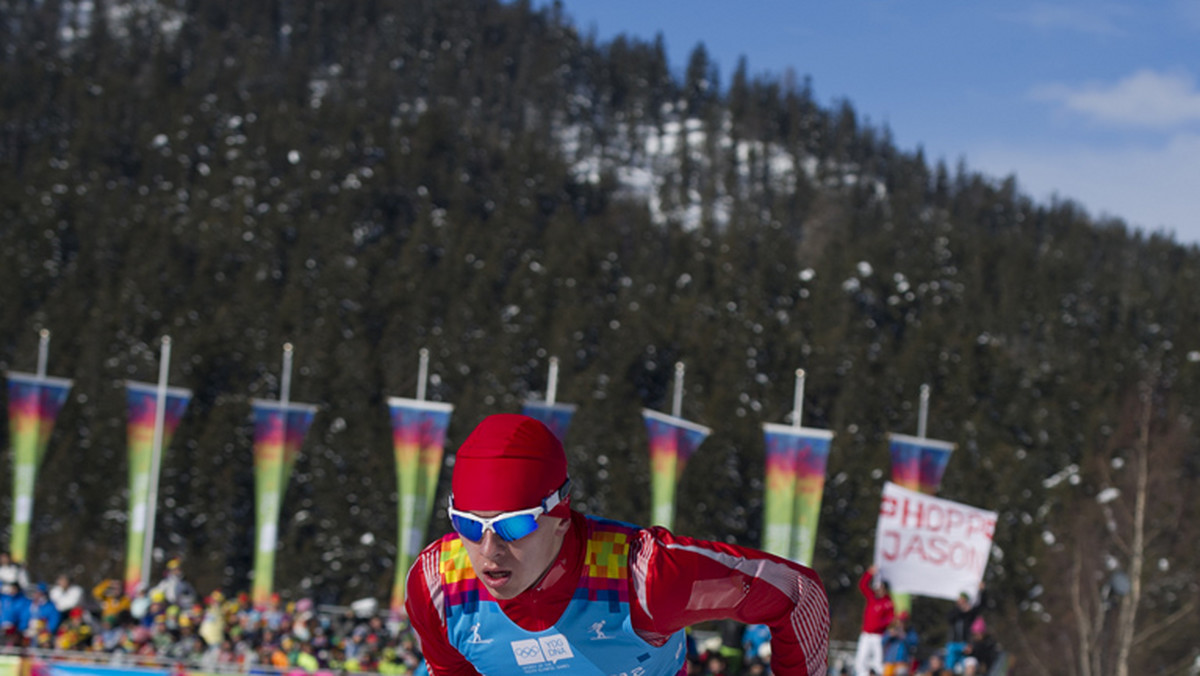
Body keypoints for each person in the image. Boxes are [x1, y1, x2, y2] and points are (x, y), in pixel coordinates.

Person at [405, 414, 830, 675]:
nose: (489, 549)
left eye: (514, 527)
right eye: (468, 525)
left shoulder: (645, 578)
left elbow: (798, 595)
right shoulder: (440, 585)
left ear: (560, 516)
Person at [854, 565, 894, 676]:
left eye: (881, 588)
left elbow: (890, 618)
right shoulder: (872, 598)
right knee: (861, 660)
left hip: (878, 636)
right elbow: (862, 585)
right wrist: (870, 573)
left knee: (878, 661)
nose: (879, 590)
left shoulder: (887, 602)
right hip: (866, 634)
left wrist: (880, 625)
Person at [945, 584, 985, 672]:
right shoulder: (955, 613)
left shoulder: (970, 615)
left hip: (966, 644)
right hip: (953, 644)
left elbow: (980, 606)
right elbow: (949, 618)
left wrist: (981, 592)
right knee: (949, 667)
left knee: (968, 666)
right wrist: (961, 609)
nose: (962, 603)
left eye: (964, 601)